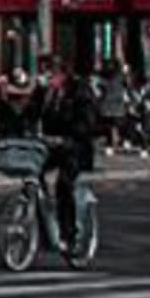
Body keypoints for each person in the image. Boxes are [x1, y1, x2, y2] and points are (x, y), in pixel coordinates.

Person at [33, 64, 104, 249]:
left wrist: (71, 135)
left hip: (76, 147)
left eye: (50, 75)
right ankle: (44, 221)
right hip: (53, 146)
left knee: (64, 183)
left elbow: (89, 120)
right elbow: (31, 113)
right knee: (33, 172)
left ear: (62, 75)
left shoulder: (80, 91)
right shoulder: (45, 93)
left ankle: (70, 232)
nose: (47, 79)